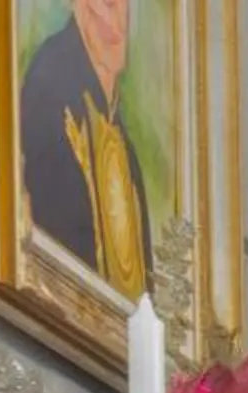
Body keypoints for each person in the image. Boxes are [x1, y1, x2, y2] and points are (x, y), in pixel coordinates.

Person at [18, 0, 152, 296]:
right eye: (105, 5)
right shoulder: (48, 88)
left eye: (122, 7)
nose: (118, 24)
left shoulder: (122, 139)